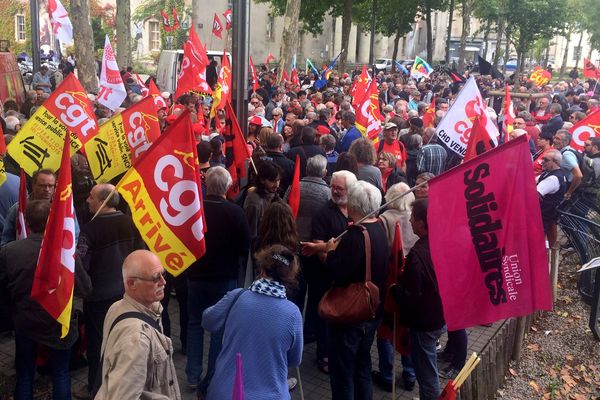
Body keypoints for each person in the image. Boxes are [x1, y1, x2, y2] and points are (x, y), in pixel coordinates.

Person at [0, 200, 91, 400]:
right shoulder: (66, 253)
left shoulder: (9, 251)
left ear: (27, 223)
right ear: (52, 221)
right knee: (60, 374)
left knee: (25, 375)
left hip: (25, 322)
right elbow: (86, 289)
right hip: (59, 323)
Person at [203, 245, 303, 400]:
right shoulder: (293, 314)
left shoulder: (237, 296)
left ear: (262, 270)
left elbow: (207, 321)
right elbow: (295, 359)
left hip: (225, 392)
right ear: (288, 278)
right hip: (272, 394)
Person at [75, 184, 146, 398]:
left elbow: (81, 266)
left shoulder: (90, 230)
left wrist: (83, 291)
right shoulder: (130, 222)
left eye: (91, 197)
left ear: (103, 202)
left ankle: (95, 389)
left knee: (97, 344)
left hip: (98, 299)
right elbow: (139, 253)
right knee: (122, 340)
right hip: (125, 294)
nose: (87, 200)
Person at [185, 166, 250, 397]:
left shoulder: (195, 209)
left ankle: (192, 375)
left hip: (196, 275)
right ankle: (211, 377)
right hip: (225, 279)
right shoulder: (235, 213)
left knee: (194, 323)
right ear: (227, 187)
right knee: (218, 330)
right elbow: (245, 247)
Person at [322, 181, 389, 399]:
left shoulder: (355, 235)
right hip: (372, 311)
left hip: (352, 316)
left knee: (343, 374)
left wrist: (331, 252)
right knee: (362, 366)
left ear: (355, 205)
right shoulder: (379, 227)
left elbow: (337, 274)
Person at [95, 250, 181, 400]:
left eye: (163, 274)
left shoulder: (117, 307)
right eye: (155, 278)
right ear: (131, 283)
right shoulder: (136, 339)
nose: (164, 282)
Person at [391, 199, 446, 400]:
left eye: (413, 218)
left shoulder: (418, 254)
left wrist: (394, 289)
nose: (410, 221)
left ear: (422, 223)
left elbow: (411, 296)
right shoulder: (439, 242)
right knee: (426, 368)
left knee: (426, 372)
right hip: (437, 315)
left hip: (424, 323)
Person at [372, 183, 419, 392]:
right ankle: (410, 374)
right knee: (405, 327)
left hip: (388, 281)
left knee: (386, 328)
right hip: (410, 281)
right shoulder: (414, 219)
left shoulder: (384, 219)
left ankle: (387, 374)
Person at [243, 160, 282, 238]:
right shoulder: (254, 203)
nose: (276, 185)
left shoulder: (275, 196)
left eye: (278, 180)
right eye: (272, 181)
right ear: (262, 180)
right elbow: (251, 233)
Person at [536, 149, 567, 247]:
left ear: (556, 162)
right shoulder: (549, 173)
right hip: (545, 215)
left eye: (546, 160)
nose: (542, 162)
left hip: (542, 215)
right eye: (543, 159)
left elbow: (533, 194)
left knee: (536, 243)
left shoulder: (553, 178)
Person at [553, 129, 583, 200]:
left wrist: (569, 192)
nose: (554, 140)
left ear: (566, 142)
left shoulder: (567, 154)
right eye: (554, 137)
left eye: (558, 139)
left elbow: (578, 175)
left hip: (566, 189)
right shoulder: (570, 150)